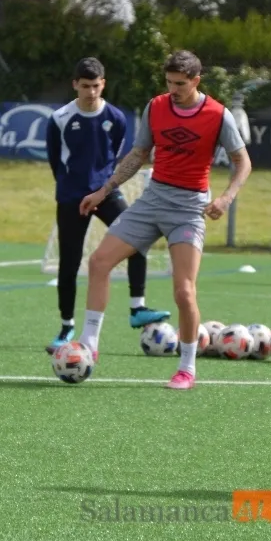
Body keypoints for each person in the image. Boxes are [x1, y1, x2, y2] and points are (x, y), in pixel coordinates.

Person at [77, 50, 252, 389]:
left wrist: (226, 198)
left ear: (196, 81)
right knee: (99, 262)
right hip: (152, 200)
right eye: (169, 82)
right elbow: (138, 154)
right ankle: (89, 345)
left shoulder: (218, 114)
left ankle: (187, 368)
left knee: (184, 292)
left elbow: (242, 161)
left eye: (181, 84)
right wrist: (104, 190)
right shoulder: (156, 106)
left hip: (188, 209)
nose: (173, 89)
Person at [44, 57, 170, 354]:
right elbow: (55, 161)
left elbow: (114, 156)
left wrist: (102, 187)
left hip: (105, 193)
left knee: (137, 237)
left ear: (104, 84)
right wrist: (70, 189)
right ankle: (66, 327)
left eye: (96, 86)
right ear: (75, 85)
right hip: (72, 197)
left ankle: (137, 307)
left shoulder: (116, 117)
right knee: (70, 263)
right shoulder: (60, 119)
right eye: (85, 86)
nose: (91, 92)